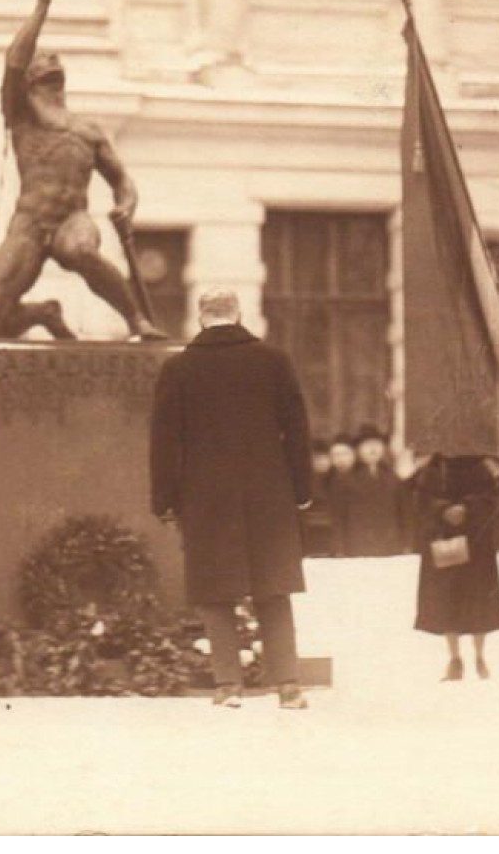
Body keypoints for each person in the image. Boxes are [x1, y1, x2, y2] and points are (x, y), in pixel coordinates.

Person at [0, 0, 161, 342]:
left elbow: (121, 179)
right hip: (29, 224)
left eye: (54, 62)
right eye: (42, 61)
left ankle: (137, 320)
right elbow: (13, 61)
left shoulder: (87, 131)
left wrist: (127, 203)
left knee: (78, 251)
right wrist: (41, 6)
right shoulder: (20, 115)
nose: (49, 63)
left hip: (73, 219)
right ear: (32, 80)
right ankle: (44, 313)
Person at [149, 288, 314, 710]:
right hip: (269, 492)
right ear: (238, 314)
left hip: (205, 495)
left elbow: (164, 441)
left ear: (200, 317)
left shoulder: (179, 368)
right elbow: (296, 430)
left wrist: (164, 498)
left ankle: (228, 686)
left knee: (215, 589)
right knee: (273, 587)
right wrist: (302, 491)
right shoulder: (274, 361)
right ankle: (289, 686)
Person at [413, 456, 499, 681]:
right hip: (444, 537)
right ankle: (455, 657)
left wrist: (466, 509)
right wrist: (443, 511)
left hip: (477, 540)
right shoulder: (434, 467)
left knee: (478, 600)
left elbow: (494, 496)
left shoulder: (484, 465)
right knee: (448, 599)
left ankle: (478, 654)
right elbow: (421, 498)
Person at [333, 423, 408, 556]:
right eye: (367, 445)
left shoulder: (393, 478)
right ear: (357, 450)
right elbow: (339, 517)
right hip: (357, 547)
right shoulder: (346, 479)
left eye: (377, 444)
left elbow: (403, 514)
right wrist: (340, 548)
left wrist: (406, 545)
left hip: (390, 547)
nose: (373, 449)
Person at [325, 435, 356, 556]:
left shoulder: (362, 480)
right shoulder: (326, 481)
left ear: (354, 455)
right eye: (336, 455)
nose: (341, 459)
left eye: (345, 454)